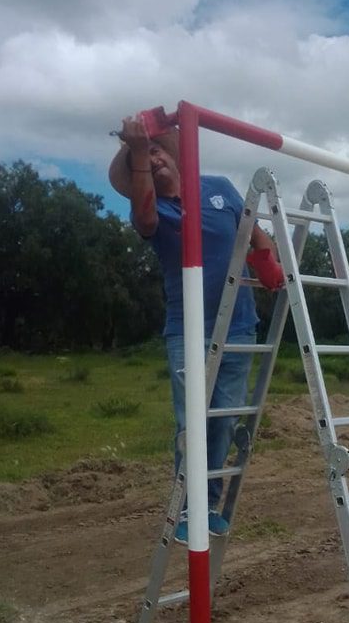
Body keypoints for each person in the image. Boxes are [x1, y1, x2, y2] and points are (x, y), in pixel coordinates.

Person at [109, 111, 284, 543]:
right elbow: (145, 219)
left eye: (156, 150)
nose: (153, 159)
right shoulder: (155, 212)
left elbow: (256, 234)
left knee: (223, 421)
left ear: (173, 154)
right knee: (194, 423)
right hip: (188, 332)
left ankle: (208, 502)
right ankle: (188, 508)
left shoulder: (219, 189)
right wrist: (134, 151)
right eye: (143, 158)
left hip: (240, 327)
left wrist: (268, 265)